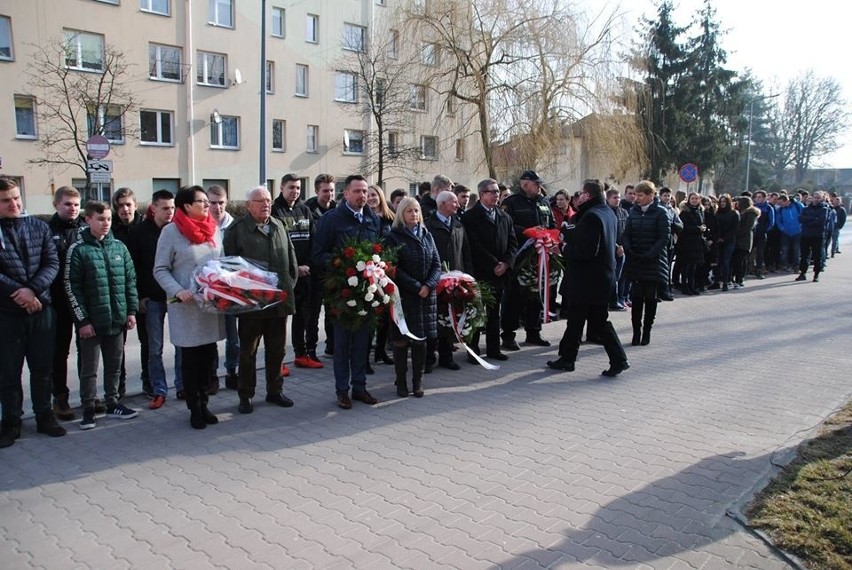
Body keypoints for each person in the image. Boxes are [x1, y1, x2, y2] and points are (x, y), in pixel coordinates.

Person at [0, 176, 66, 448]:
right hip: (7, 313)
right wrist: (21, 294)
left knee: (42, 368)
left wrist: (33, 291)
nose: (13, 204)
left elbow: (52, 263)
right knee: (8, 372)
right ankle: (12, 421)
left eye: (16, 198)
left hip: (42, 310)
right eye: (6, 200)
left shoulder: (38, 227)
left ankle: (44, 415)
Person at [154, 186, 225, 429]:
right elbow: (160, 269)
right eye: (202, 201)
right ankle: (194, 407)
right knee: (191, 360)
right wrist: (177, 290)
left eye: (208, 201)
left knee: (208, 357)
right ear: (186, 206)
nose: (208, 206)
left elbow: (221, 263)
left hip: (210, 306)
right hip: (186, 307)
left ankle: (205, 403)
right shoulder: (171, 232)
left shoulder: (213, 229)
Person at [224, 186, 298, 414]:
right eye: (260, 201)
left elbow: (291, 259)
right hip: (252, 305)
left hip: (278, 302)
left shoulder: (278, 225)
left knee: (277, 350)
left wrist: (288, 286)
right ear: (248, 205)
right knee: (248, 352)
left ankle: (275, 391)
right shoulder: (236, 230)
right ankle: (246, 395)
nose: (266, 204)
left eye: (267, 200)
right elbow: (229, 268)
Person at [66, 201, 139, 430]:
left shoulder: (119, 247)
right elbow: (71, 287)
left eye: (108, 219)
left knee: (115, 365)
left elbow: (130, 281)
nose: (105, 223)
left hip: (116, 320)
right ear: (88, 220)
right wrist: (83, 321)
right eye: (100, 219)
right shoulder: (78, 250)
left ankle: (113, 402)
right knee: (89, 369)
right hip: (92, 324)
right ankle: (88, 408)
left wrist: (131, 311)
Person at [311, 175, 383, 410]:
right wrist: (343, 264)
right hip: (341, 292)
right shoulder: (332, 219)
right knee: (342, 344)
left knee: (363, 342)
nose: (363, 195)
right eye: (358, 191)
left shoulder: (372, 219)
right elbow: (318, 254)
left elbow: (379, 250)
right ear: (346, 194)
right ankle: (342, 390)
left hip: (366, 291)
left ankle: (360, 386)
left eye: (365, 191)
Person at [547, 179, 629, 377]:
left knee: (594, 321)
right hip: (599, 278)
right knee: (579, 320)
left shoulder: (592, 216)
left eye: (581, 193)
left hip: (588, 280)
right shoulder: (607, 211)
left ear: (588, 195)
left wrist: (564, 248)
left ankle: (617, 359)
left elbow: (588, 249)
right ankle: (568, 358)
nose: (578, 196)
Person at [386, 198, 441, 398]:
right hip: (404, 297)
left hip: (426, 298)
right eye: (409, 211)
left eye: (416, 210)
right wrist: (417, 286)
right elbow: (394, 268)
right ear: (401, 214)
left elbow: (436, 264)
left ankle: (417, 382)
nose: (414, 214)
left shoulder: (427, 235)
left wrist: (428, 285)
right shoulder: (393, 237)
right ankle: (401, 382)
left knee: (420, 341)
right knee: (401, 341)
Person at [126, 189, 176, 410]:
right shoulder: (139, 232)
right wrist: (139, 296)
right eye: (165, 208)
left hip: (175, 297)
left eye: (173, 208)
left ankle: (182, 385)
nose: (170, 212)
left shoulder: (176, 231)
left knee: (181, 344)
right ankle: (158, 389)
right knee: (154, 348)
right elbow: (133, 268)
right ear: (153, 208)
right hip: (152, 299)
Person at [462, 179, 517, 361]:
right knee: (477, 312)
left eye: (497, 192)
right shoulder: (470, 217)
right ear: (481, 195)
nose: (496, 195)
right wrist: (494, 264)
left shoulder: (504, 217)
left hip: (500, 273)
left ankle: (493, 349)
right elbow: (474, 245)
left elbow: (512, 243)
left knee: (494, 312)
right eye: (491, 192)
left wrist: (506, 263)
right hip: (481, 271)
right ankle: (473, 349)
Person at [500, 170, 555, 350]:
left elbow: (552, 226)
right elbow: (506, 227)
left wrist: (550, 238)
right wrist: (528, 231)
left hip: (539, 257)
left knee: (535, 296)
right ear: (524, 184)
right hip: (519, 256)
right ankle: (508, 335)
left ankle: (534, 331)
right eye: (535, 184)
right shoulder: (512, 203)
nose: (539, 187)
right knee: (513, 297)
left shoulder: (544, 202)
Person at [272, 173, 321, 371]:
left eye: (298, 188)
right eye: (291, 187)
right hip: (285, 275)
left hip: (305, 274)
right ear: (282, 188)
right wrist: (294, 268)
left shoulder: (305, 210)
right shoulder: (275, 211)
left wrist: (308, 264)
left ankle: (301, 355)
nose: (295, 191)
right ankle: (279, 361)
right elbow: (276, 246)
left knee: (303, 315)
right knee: (281, 318)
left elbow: (314, 240)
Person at [424, 189, 473, 371]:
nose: (457, 205)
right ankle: (429, 358)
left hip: (455, 279)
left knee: (450, 318)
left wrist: (467, 275)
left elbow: (466, 252)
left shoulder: (459, 225)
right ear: (442, 204)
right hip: (435, 280)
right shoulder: (428, 225)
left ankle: (447, 356)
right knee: (433, 320)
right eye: (453, 202)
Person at [48, 186, 84, 421]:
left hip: (83, 302)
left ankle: (89, 396)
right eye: (67, 204)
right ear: (56, 205)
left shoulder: (85, 228)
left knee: (88, 350)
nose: (72, 209)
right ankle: (60, 398)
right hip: (58, 303)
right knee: (59, 353)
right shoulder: (46, 230)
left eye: (76, 204)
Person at [622, 180, 670, 346]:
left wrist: (650, 254)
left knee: (650, 299)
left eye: (640, 195)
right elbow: (626, 234)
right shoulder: (633, 212)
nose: (637, 198)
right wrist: (628, 249)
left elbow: (664, 238)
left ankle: (646, 332)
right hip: (636, 261)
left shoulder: (661, 213)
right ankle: (636, 333)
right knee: (636, 299)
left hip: (653, 263)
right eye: (635, 195)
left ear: (650, 195)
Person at [111, 187, 146, 399]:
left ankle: (148, 382)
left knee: (147, 342)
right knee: (118, 347)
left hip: (142, 295)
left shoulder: (144, 228)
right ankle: (119, 387)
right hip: (119, 295)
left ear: (135, 205)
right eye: (120, 206)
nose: (125, 209)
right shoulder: (111, 230)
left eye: (128, 204)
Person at [206, 185, 239, 391]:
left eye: (221, 203)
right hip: (209, 289)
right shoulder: (202, 225)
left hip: (231, 290)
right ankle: (211, 375)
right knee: (210, 336)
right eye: (212, 203)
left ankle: (232, 372)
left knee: (233, 337)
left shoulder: (236, 227)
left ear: (226, 202)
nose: (217, 207)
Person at [305, 174, 336, 357]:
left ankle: (331, 346)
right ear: (317, 191)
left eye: (332, 190)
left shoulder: (337, 210)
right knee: (313, 313)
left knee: (333, 310)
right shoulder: (307, 210)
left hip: (332, 269)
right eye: (325, 191)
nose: (329, 194)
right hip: (314, 270)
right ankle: (310, 349)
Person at [367, 185, 395, 367]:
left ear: (381, 196)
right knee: (370, 313)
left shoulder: (390, 218)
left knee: (386, 313)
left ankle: (381, 350)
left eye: (374, 194)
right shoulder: (364, 218)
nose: (371, 198)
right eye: (368, 195)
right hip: (368, 270)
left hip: (387, 269)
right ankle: (365, 358)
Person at [676, 192, 708, 295]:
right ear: (689, 200)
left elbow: (702, 223)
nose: (694, 200)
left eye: (696, 198)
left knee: (694, 266)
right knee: (686, 266)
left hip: (697, 243)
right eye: (692, 198)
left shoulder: (700, 211)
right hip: (687, 243)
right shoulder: (685, 212)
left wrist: (703, 228)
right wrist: (697, 228)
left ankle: (691, 285)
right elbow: (682, 228)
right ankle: (685, 286)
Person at [796, 190, 830, 283]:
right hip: (805, 235)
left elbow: (821, 221)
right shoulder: (806, 209)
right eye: (814, 197)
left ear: (822, 198)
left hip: (817, 236)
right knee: (804, 255)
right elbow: (801, 218)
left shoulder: (824, 209)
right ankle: (802, 273)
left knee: (817, 256)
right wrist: (813, 218)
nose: (816, 199)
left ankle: (816, 274)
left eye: (818, 197)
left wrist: (809, 219)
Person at [605, 188, 628, 310]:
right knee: (611, 277)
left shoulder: (623, 212)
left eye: (619, 197)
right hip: (610, 250)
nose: (617, 200)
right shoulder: (606, 213)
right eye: (614, 197)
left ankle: (619, 298)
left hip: (622, 249)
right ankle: (610, 301)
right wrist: (615, 246)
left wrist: (623, 246)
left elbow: (627, 231)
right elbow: (607, 233)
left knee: (619, 277)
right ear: (608, 199)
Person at [713, 194, 739, 291]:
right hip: (718, 240)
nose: (723, 203)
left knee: (726, 261)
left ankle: (725, 282)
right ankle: (716, 281)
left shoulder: (734, 213)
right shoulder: (717, 213)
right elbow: (714, 227)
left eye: (724, 201)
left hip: (729, 241)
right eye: (721, 202)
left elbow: (735, 229)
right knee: (717, 261)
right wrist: (717, 238)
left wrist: (724, 238)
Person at [732, 196, 760, 288]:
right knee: (738, 260)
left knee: (740, 260)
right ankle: (738, 278)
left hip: (745, 240)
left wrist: (736, 233)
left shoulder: (751, 213)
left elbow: (747, 227)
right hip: (737, 240)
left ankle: (739, 279)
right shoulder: (739, 212)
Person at [776, 194, 803, 272]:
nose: (780, 205)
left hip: (797, 232)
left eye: (781, 203)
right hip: (785, 233)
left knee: (796, 250)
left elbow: (804, 215)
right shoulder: (780, 210)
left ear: (786, 201)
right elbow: (778, 221)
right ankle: (783, 265)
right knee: (784, 250)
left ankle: (796, 266)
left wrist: (801, 227)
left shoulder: (798, 206)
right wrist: (782, 228)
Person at [752, 191, 775, 279]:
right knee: (748, 252)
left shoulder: (768, 208)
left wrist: (765, 230)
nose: (758, 199)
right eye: (756, 197)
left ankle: (759, 271)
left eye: (760, 197)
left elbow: (771, 222)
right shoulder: (753, 207)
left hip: (762, 233)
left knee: (760, 253)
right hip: (753, 233)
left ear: (764, 198)